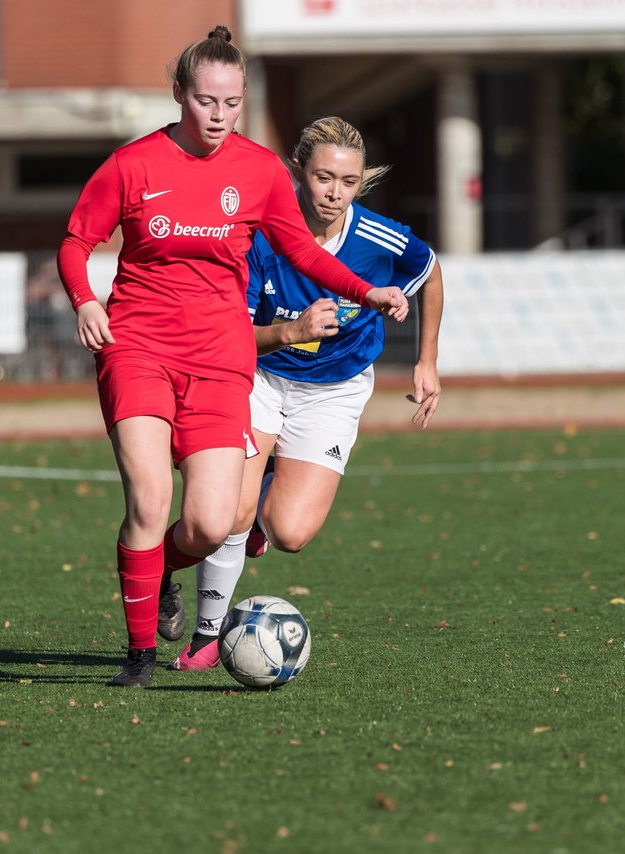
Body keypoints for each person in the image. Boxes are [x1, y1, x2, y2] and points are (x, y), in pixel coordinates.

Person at [56, 28, 408, 688]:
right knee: (152, 500)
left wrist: (366, 291)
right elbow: (78, 240)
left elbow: (303, 251)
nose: (218, 116)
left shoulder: (259, 170)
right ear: (179, 96)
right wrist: (84, 299)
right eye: (206, 101)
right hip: (138, 347)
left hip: (221, 360)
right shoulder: (134, 164)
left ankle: (158, 574)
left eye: (231, 103)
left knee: (215, 522)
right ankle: (137, 659)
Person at [162, 116, 443, 671]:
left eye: (348, 181)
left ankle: (261, 501)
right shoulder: (259, 238)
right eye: (323, 178)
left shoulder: (378, 239)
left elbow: (430, 273)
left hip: (334, 392)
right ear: (298, 171)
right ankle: (205, 635)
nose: (335, 193)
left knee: (290, 532)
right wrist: (291, 331)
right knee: (227, 515)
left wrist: (427, 360)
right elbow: (232, 336)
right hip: (259, 376)